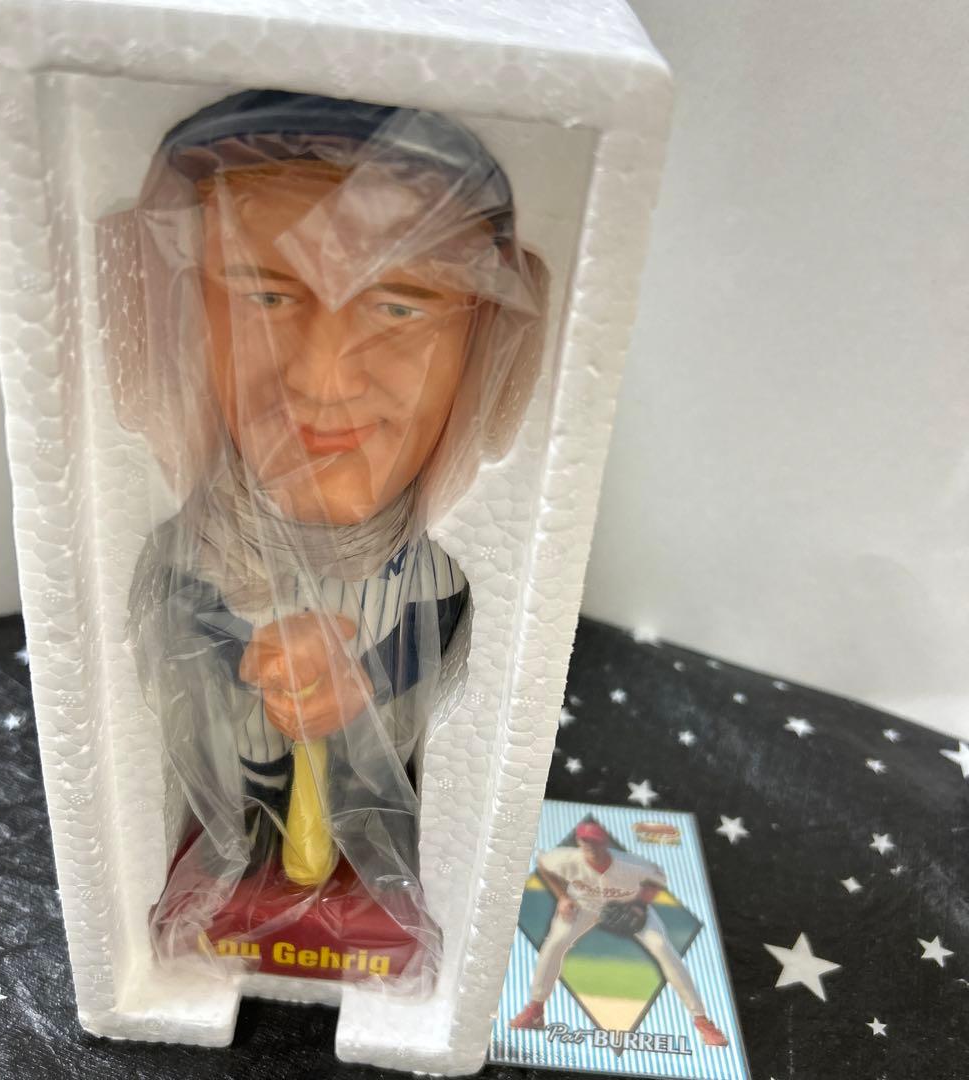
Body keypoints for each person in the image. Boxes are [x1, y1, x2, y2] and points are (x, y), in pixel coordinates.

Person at [119, 90, 540, 970]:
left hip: (370, 831)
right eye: (265, 295)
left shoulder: (437, 565)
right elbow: (178, 654)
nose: (321, 378)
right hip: (243, 815)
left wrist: (366, 685)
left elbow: (448, 675)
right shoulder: (192, 546)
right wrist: (248, 652)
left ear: (485, 330)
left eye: (399, 307)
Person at [510, 820, 729, 1047]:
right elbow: (543, 864)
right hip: (584, 905)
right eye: (585, 840)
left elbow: (658, 878)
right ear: (579, 842)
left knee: (662, 947)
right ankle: (535, 1010)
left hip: (628, 906)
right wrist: (563, 897)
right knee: (555, 942)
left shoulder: (631, 864)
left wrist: (640, 904)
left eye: (594, 841)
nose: (589, 845)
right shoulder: (565, 859)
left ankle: (702, 1021)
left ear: (604, 843)